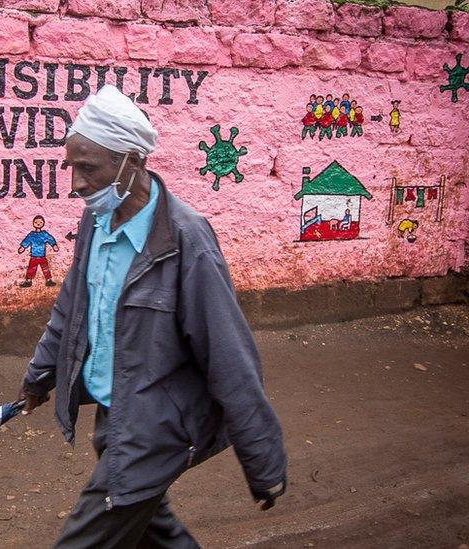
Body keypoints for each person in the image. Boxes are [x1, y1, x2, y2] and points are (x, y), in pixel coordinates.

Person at [18, 85, 287, 548]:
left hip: (156, 427)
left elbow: (229, 354)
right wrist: (39, 376)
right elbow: (70, 307)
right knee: (153, 531)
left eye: (88, 168)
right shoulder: (95, 221)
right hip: (113, 410)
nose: (77, 183)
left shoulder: (186, 240)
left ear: (133, 161)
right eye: (71, 167)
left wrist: (264, 462)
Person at [18, 215, 59, 287]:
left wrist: (54, 245)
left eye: (40, 222)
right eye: (36, 222)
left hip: (42, 256)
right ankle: (28, 281)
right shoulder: (31, 235)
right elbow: (26, 241)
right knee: (31, 269)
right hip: (34, 256)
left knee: (45, 268)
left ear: (43, 223)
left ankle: (48, 280)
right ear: (33, 223)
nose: (38, 223)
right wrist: (22, 247)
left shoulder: (44, 234)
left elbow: (50, 239)